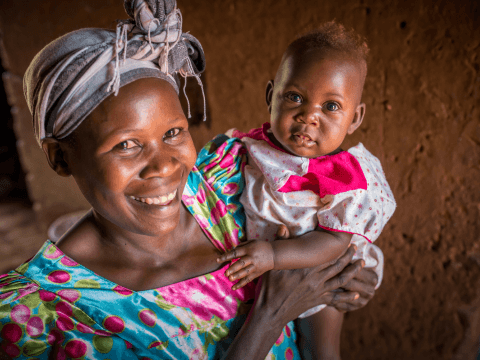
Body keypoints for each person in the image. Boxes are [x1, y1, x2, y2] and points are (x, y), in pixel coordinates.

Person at [0, 2, 380, 359]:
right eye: (127, 144)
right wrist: (271, 313)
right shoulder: (42, 318)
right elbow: (284, 298)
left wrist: (341, 283)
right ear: (60, 157)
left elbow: (325, 242)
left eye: (173, 133)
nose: (164, 167)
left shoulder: (231, 182)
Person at [217, 22, 396, 359]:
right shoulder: (249, 149)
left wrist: (273, 256)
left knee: (320, 350)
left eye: (331, 106)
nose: (308, 116)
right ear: (271, 97)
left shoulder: (345, 179)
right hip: (262, 274)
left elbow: (334, 243)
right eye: (295, 97)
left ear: (355, 119)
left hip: (319, 272)